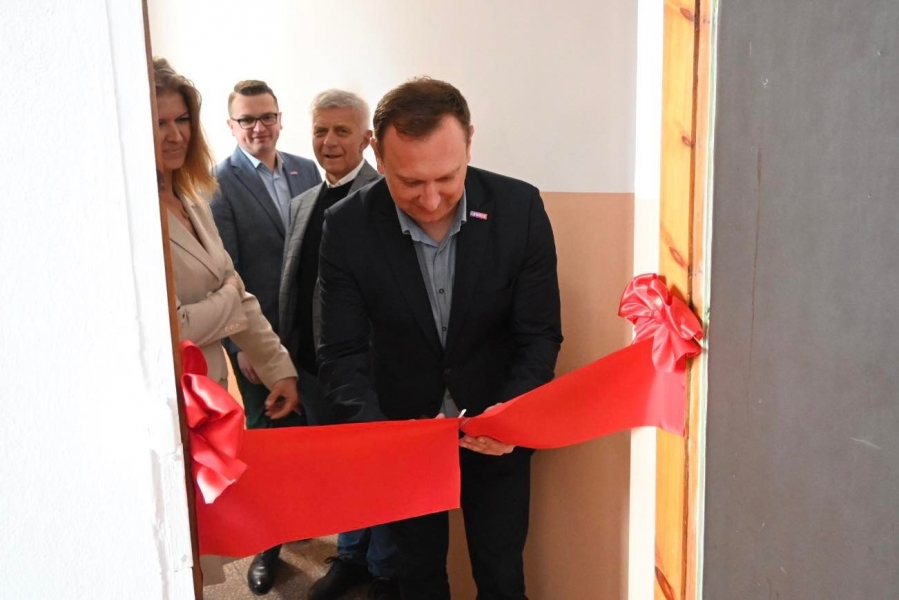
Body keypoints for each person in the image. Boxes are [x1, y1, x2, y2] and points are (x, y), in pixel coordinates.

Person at [317, 78, 563, 600]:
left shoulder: (519, 209)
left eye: (447, 178)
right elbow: (340, 353)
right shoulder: (347, 227)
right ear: (376, 154)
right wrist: (378, 434)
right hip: (402, 433)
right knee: (417, 577)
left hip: (497, 429)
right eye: (410, 182)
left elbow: (539, 334)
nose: (430, 200)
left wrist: (510, 415)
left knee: (501, 574)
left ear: (469, 142)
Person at [152, 57, 300, 588]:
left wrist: (279, 367)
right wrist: (228, 301)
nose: (175, 135)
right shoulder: (133, 211)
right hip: (170, 404)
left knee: (202, 541)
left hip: (209, 397)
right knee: (177, 550)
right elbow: (168, 328)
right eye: (160, 122)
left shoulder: (192, 196)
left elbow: (239, 290)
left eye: (182, 120)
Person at [278, 90, 397, 600]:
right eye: (320, 130)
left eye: (342, 131)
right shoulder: (301, 203)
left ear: (366, 139)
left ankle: (384, 568)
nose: (329, 141)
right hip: (312, 369)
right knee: (337, 471)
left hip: (369, 371)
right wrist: (286, 359)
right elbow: (292, 286)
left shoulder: (386, 198)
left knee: (378, 469)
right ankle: (350, 557)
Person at [210, 79, 321, 595]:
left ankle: (304, 517)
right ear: (232, 126)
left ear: (280, 119)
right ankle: (268, 544)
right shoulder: (217, 184)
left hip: (308, 331)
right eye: (247, 119)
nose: (259, 127)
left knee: (309, 434)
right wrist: (242, 347)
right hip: (258, 337)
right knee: (267, 441)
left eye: (267, 116)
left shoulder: (306, 169)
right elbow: (226, 275)